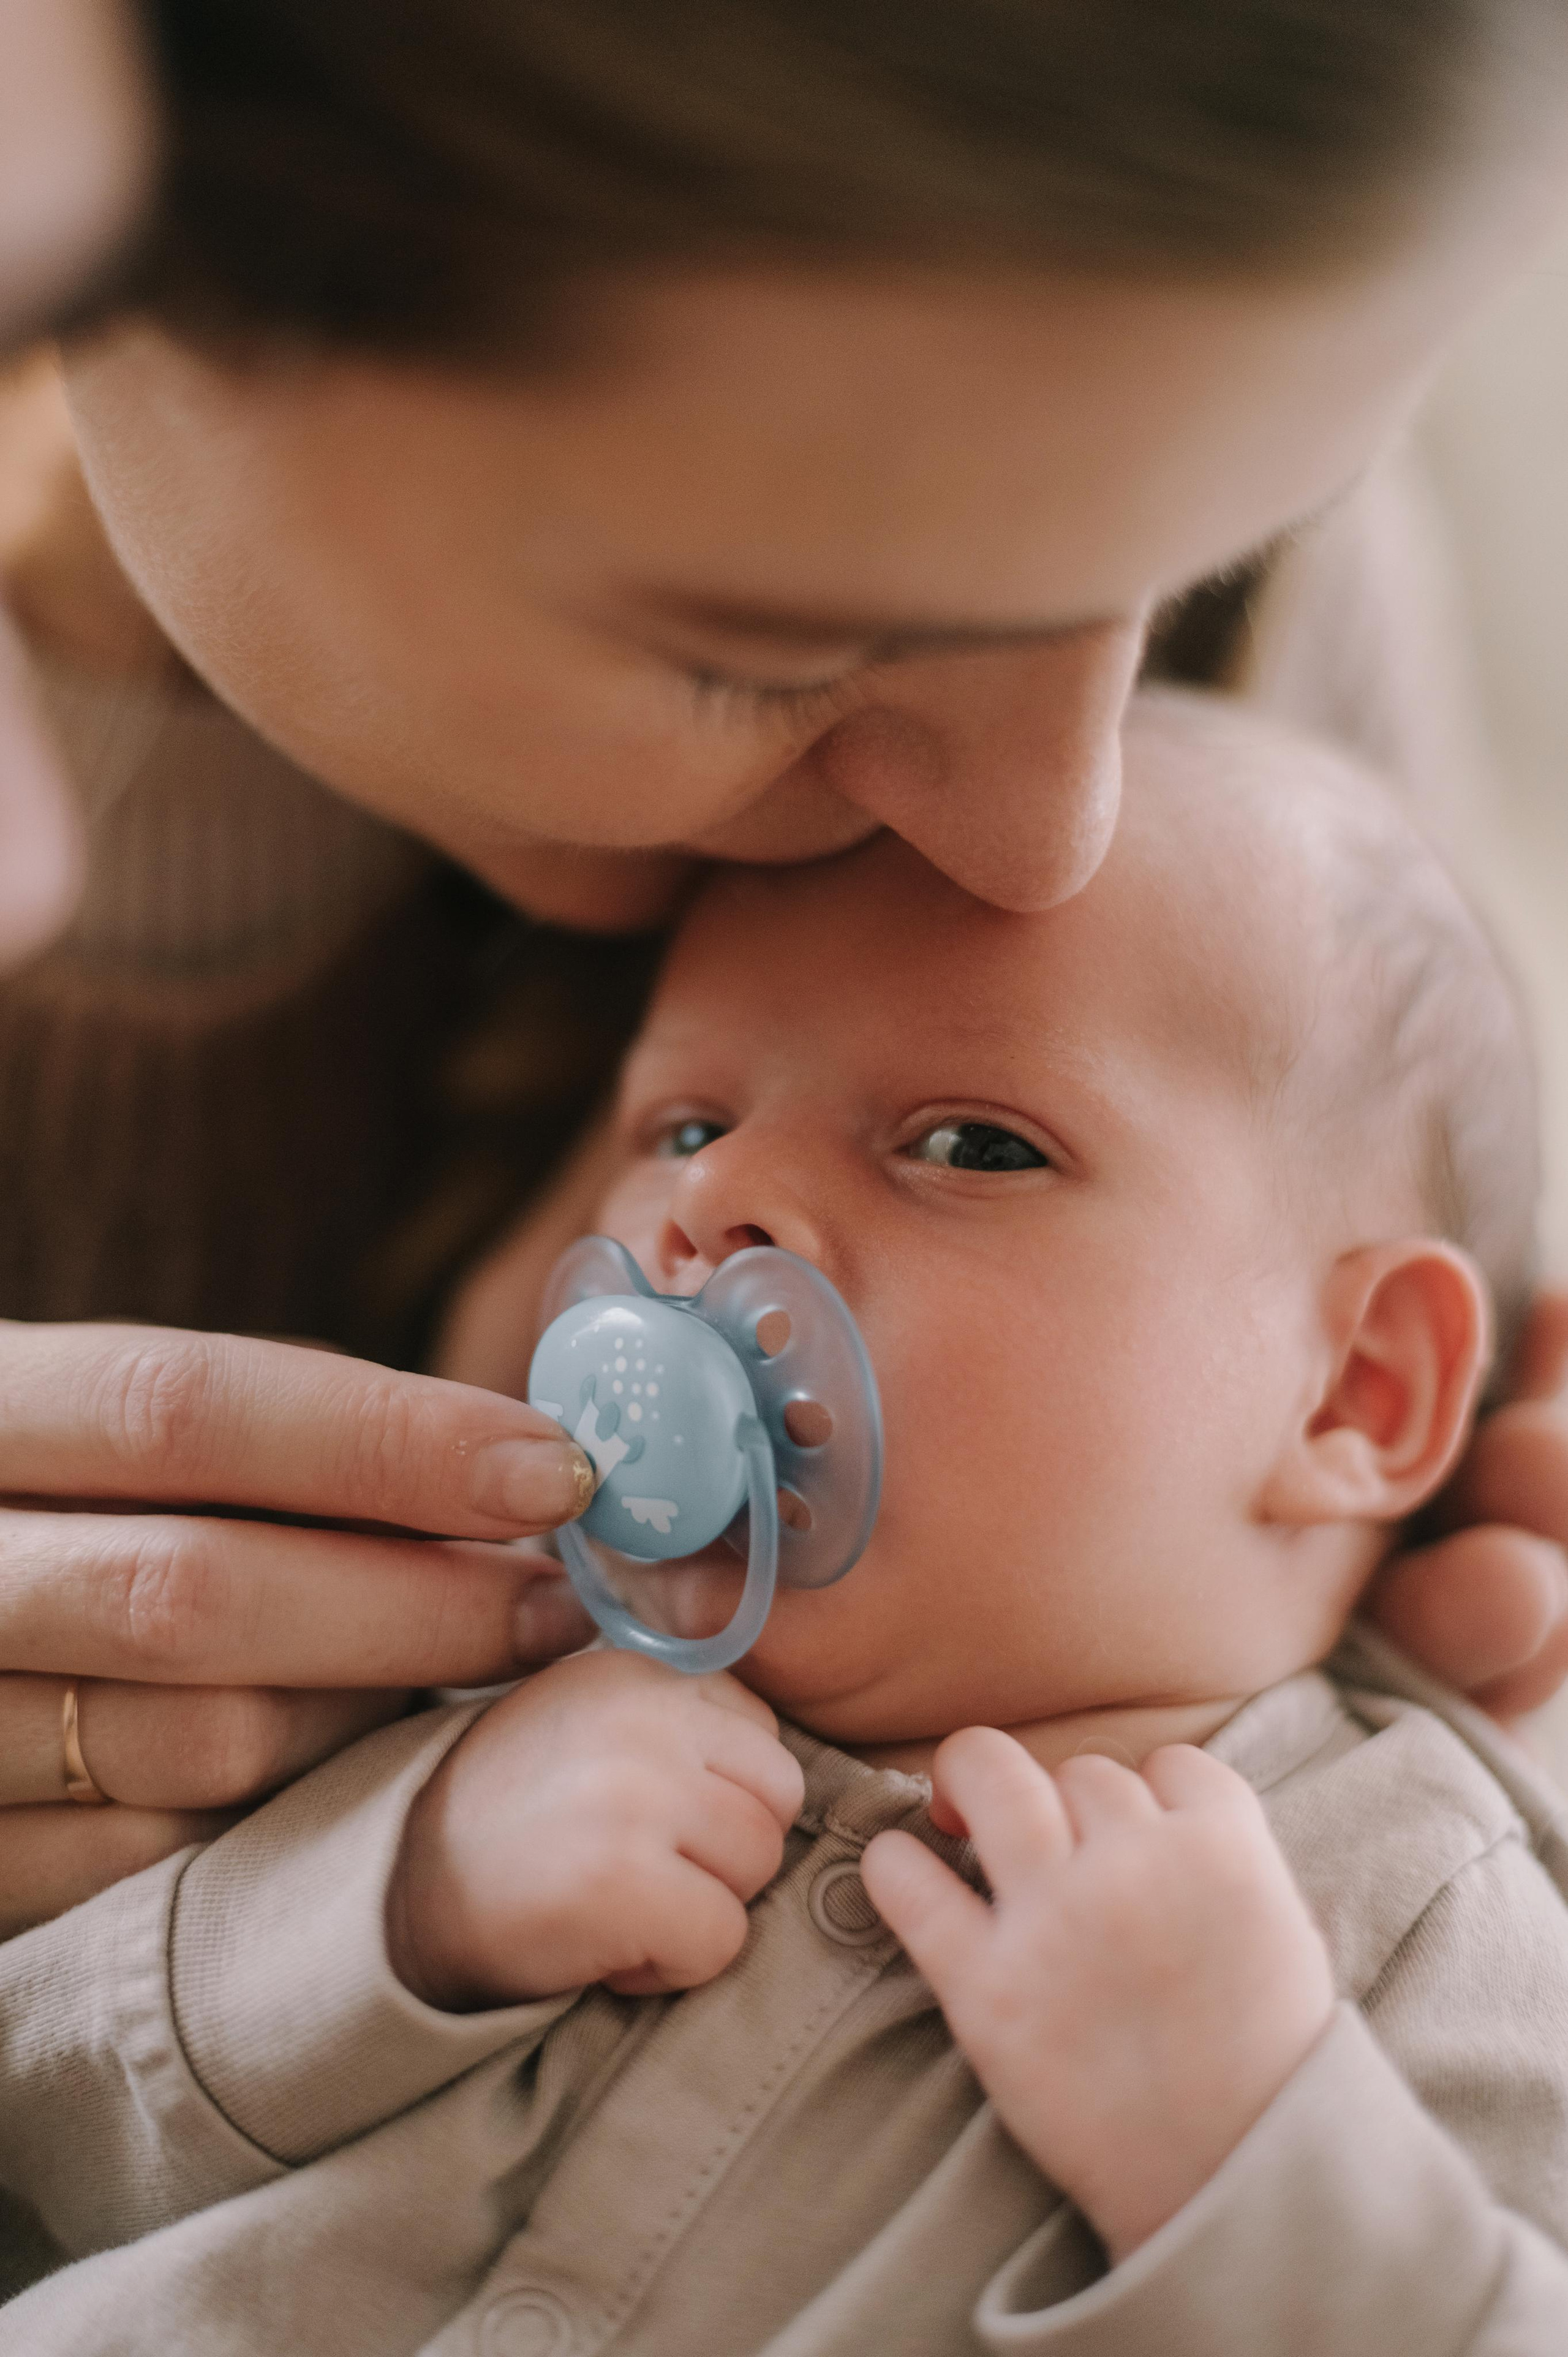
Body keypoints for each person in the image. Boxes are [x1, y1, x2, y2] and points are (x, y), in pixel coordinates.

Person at [3, 0, 1568, 1951]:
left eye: (1212, 555)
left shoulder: (1214, 383)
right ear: (142, 271)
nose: (1047, 836)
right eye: (774, 644)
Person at [1, 689, 1563, 2352]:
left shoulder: (1408, 1912)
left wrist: (1252, 2156)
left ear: (1359, 1395)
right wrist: (397, 1910)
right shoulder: (457, 1662)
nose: (708, 1205)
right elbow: (46, 2137)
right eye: (683, 1124)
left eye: (970, 1144)